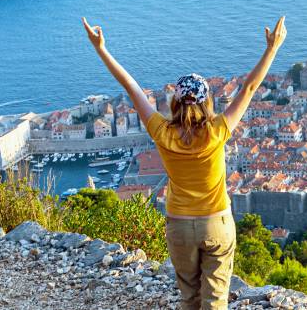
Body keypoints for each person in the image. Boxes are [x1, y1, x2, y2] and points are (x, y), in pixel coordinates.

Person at [82, 16, 287, 309]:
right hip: (216, 221)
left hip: (179, 223)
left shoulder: (161, 131)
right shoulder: (217, 131)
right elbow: (250, 88)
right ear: (207, 103)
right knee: (215, 300)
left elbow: (130, 86)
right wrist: (272, 48)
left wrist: (101, 48)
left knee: (189, 297)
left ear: (175, 102)